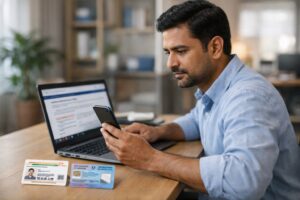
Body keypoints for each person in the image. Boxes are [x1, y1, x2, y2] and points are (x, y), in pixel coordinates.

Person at [101, 0, 300, 199]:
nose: (170, 63)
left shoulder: (248, 97)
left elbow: (244, 182)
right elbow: (197, 120)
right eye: (168, 52)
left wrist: (149, 158)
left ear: (215, 47)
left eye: (181, 51)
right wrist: (157, 132)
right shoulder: (217, 87)